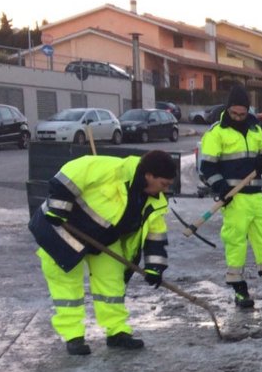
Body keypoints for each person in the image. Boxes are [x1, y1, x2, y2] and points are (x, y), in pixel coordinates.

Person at [29, 150, 176, 354]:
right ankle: (74, 337)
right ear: (149, 175)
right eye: (164, 184)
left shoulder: (154, 200)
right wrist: (58, 207)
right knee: (67, 287)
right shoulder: (113, 169)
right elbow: (69, 173)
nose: (166, 190)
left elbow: (155, 234)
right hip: (63, 228)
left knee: (112, 283)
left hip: (103, 240)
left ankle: (117, 332)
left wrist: (155, 267)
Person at [198, 84, 262, 308]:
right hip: (234, 198)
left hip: (255, 195)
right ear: (228, 109)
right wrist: (221, 187)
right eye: (235, 113)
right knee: (236, 242)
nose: (239, 117)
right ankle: (240, 290)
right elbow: (207, 168)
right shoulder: (217, 132)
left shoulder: (254, 129)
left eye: (243, 114)